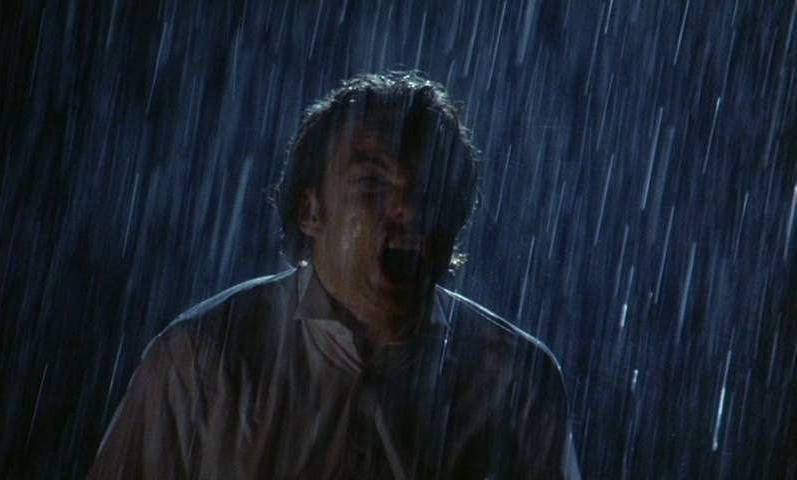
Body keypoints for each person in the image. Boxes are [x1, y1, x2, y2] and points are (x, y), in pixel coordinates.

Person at [87, 71, 581, 479]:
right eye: (373, 183)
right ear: (311, 210)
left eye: (430, 187)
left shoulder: (517, 380)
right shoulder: (201, 360)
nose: (408, 208)